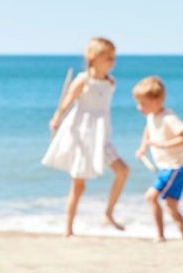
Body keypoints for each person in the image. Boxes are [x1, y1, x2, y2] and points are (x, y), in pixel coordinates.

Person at [42, 37, 130, 237]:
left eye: (113, 57)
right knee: (78, 185)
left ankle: (108, 214)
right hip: (83, 136)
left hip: (102, 136)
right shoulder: (83, 80)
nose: (112, 61)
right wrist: (56, 119)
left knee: (123, 171)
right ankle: (68, 229)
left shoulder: (110, 82)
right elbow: (66, 103)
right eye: (108, 57)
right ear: (93, 58)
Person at [132, 76, 183, 242]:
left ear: (158, 101)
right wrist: (143, 147)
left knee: (151, 196)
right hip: (168, 167)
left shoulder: (168, 118)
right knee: (171, 205)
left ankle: (160, 236)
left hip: (176, 167)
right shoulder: (152, 116)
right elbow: (148, 130)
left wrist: (165, 145)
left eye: (143, 104)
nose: (139, 108)